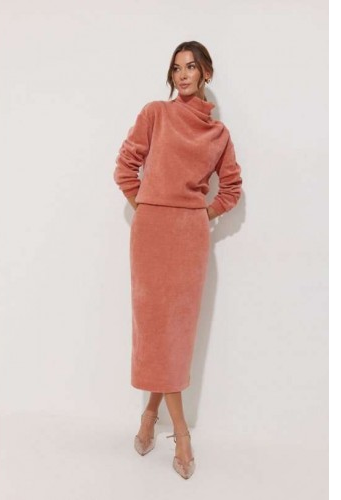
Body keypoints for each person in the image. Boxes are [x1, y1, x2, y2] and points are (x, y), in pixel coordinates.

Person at [113, 41, 243, 479]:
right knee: (155, 331)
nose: (182, 75)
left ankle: (152, 415)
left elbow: (231, 187)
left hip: (189, 241)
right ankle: (181, 433)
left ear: (207, 72)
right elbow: (124, 167)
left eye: (190, 67)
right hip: (151, 236)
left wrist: (200, 215)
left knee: (176, 334)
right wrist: (148, 206)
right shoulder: (155, 114)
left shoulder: (218, 134)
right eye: (175, 68)